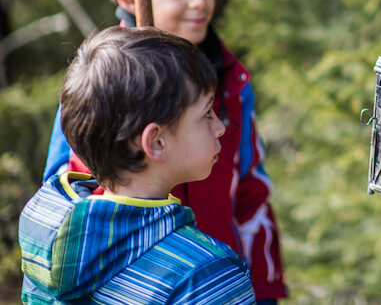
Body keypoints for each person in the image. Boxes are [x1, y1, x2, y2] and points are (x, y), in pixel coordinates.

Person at [42, 0, 287, 302]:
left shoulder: (230, 81)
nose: (199, 0)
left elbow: (250, 192)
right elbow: (67, 195)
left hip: (214, 280)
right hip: (136, 286)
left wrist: (265, 289)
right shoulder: (100, 87)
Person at [20, 26, 256, 304]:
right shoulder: (206, 277)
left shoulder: (45, 241)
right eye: (206, 114)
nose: (219, 128)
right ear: (155, 142)